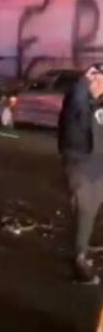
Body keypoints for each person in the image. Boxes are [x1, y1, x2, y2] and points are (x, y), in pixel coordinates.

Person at [58, 63, 103, 284]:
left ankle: (85, 246)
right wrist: (85, 79)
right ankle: (79, 259)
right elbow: (77, 97)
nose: (99, 84)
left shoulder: (99, 104)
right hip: (80, 163)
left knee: (93, 209)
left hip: (99, 164)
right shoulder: (78, 103)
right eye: (96, 80)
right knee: (84, 211)